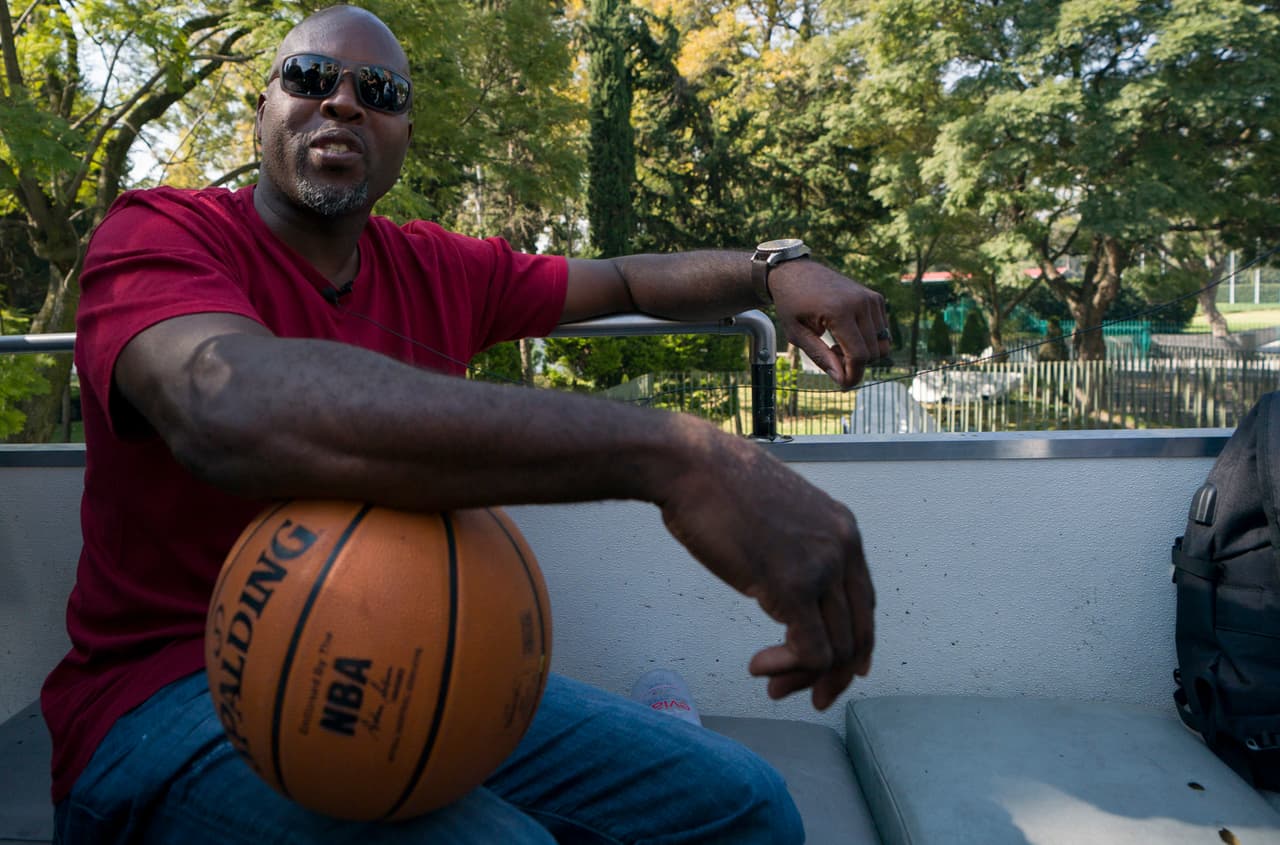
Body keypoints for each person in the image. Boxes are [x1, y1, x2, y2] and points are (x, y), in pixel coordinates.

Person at [42, 5, 883, 843]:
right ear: (262, 109)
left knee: (746, 805)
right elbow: (223, 401)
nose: (341, 102)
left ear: (403, 131)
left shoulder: (438, 268)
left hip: (406, 654)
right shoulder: (159, 231)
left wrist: (774, 267)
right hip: (163, 697)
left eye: (377, 90)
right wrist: (675, 454)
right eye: (308, 78)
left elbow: (626, 279)